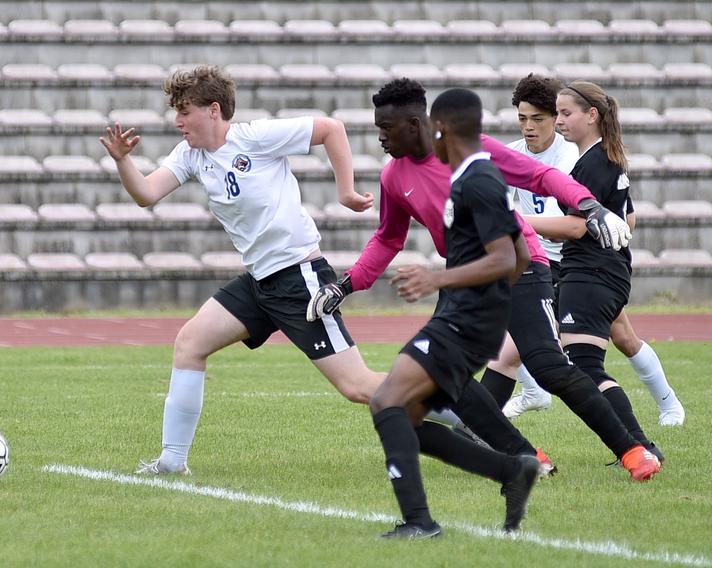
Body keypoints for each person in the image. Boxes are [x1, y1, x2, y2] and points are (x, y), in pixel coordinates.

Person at [100, 65, 536, 477]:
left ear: (213, 110)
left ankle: (478, 422)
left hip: (299, 279)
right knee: (190, 343)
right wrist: (123, 160)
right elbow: (146, 194)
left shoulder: (253, 137)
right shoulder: (190, 155)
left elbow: (331, 129)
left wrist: (345, 191)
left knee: (361, 387)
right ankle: (173, 461)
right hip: (259, 281)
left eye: (184, 110)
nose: (177, 119)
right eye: (175, 110)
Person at [308, 78, 660, 481]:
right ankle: (528, 457)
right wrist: (345, 284)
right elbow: (388, 239)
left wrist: (588, 205)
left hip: (519, 264)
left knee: (548, 367)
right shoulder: (393, 176)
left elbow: (540, 178)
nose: (380, 138)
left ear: (414, 123)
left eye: (385, 129)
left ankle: (634, 451)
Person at [368, 87, 539, 539]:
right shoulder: (472, 177)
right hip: (470, 315)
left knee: (386, 401)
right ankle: (510, 470)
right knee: (405, 418)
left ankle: (419, 523)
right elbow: (519, 250)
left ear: (437, 127)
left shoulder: (477, 180)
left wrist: (439, 280)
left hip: (465, 317)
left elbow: (505, 258)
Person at [499, 75, 685, 427]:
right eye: (522, 119)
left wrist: (514, 221)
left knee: (611, 344)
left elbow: (620, 218)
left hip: (585, 265)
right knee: (515, 337)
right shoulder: (512, 156)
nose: (530, 126)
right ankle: (532, 396)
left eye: (539, 118)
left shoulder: (577, 157)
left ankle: (660, 413)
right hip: (555, 263)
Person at [523, 80, 663, 461]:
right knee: (583, 365)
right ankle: (638, 446)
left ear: (592, 115)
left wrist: (516, 220)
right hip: (604, 272)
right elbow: (628, 218)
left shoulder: (594, 163)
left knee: (584, 368)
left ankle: (638, 446)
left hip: (590, 275)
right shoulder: (605, 157)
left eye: (566, 113)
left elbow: (576, 226)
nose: (560, 121)